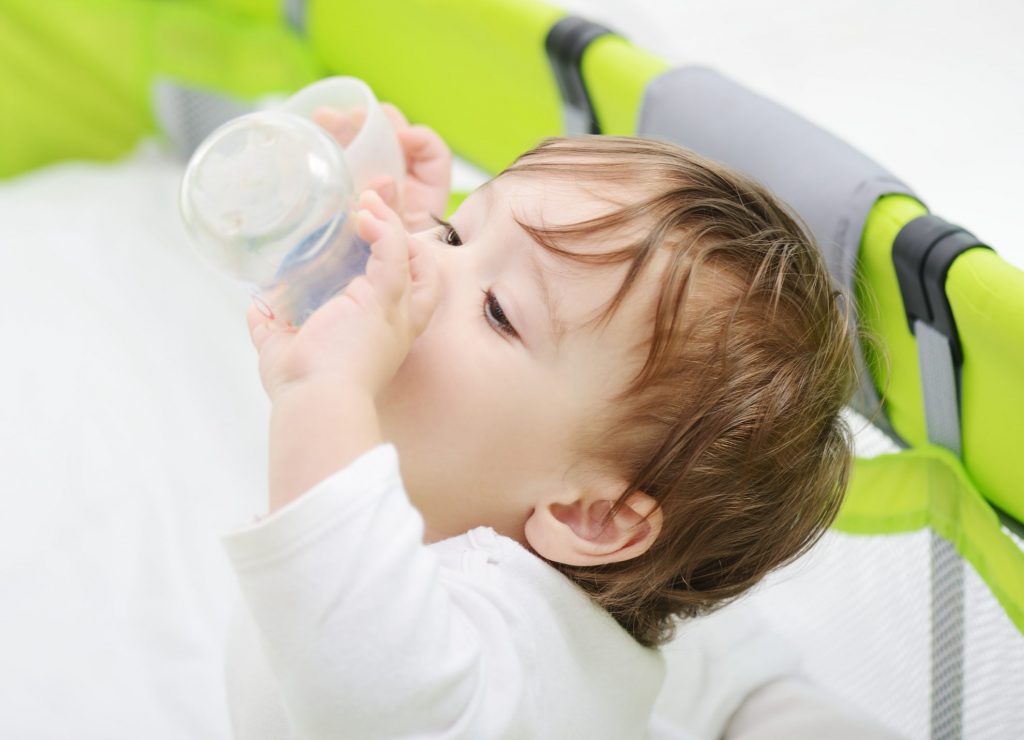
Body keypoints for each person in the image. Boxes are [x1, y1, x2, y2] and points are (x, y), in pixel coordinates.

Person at [220, 102, 860, 739]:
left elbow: (360, 676)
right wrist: (389, 232)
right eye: (453, 233)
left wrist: (321, 389)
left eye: (498, 311)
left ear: (592, 517)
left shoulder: (514, 658)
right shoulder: (465, 511)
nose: (416, 262)